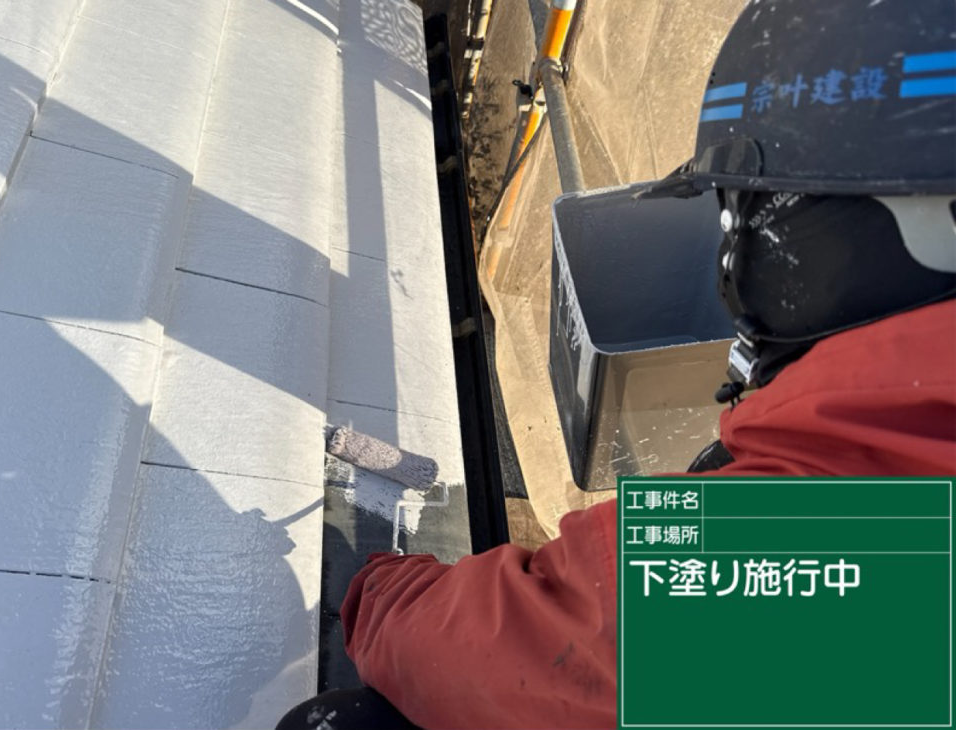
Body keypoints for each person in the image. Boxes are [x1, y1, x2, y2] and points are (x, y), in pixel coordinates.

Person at [278, 0, 955, 727]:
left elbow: (523, 645)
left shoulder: (869, 516)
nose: (727, 268)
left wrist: (380, 587)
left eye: (736, 218)